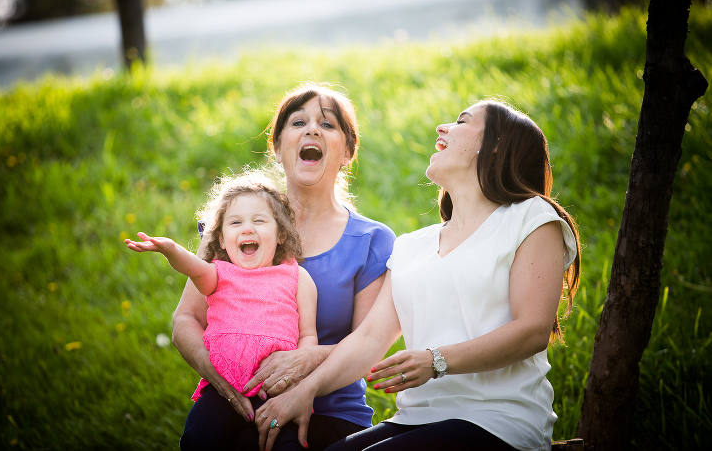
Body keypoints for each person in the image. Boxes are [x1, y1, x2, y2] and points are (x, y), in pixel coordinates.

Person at [254, 100, 582, 451]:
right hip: (415, 418)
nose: (442, 128)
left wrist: (435, 360)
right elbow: (368, 340)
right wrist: (305, 391)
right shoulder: (413, 245)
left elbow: (532, 330)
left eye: (461, 121)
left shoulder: (532, 218)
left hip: (499, 422)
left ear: (497, 144)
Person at [172, 84, 396, 450]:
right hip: (236, 398)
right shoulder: (234, 225)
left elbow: (368, 346)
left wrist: (307, 359)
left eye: (327, 124)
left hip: (330, 414)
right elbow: (185, 320)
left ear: (348, 152)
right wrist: (214, 373)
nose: (311, 130)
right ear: (277, 148)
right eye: (298, 122)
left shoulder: (373, 240)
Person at [125, 173, 319, 426]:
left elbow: (308, 335)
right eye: (235, 223)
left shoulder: (296, 277)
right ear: (221, 239)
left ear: (281, 234)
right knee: (199, 438)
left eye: (259, 220)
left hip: (275, 390)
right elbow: (194, 268)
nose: (247, 228)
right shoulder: (218, 273)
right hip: (222, 390)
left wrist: (295, 382)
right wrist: (171, 249)